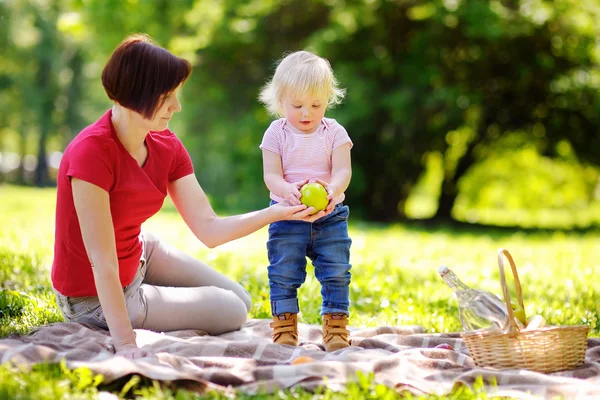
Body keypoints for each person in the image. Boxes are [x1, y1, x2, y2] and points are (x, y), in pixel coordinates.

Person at [51, 34, 329, 360]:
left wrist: (278, 211)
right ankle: (146, 303)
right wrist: (126, 344)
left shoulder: (165, 145)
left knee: (239, 297)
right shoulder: (91, 153)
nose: (176, 106)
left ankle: (154, 298)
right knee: (232, 311)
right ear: (136, 94)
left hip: (138, 252)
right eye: (167, 96)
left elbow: (209, 229)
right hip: (93, 296)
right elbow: (102, 262)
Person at [258, 51, 353, 351]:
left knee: (337, 272)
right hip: (287, 216)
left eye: (316, 105)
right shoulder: (276, 133)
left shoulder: (334, 132)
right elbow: (271, 176)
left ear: (328, 99)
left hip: (330, 217)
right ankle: (285, 326)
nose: (306, 113)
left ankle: (336, 328)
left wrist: (332, 189)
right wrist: (286, 189)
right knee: (283, 272)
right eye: (297, 105)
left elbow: (343, 170)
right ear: (281, 101)